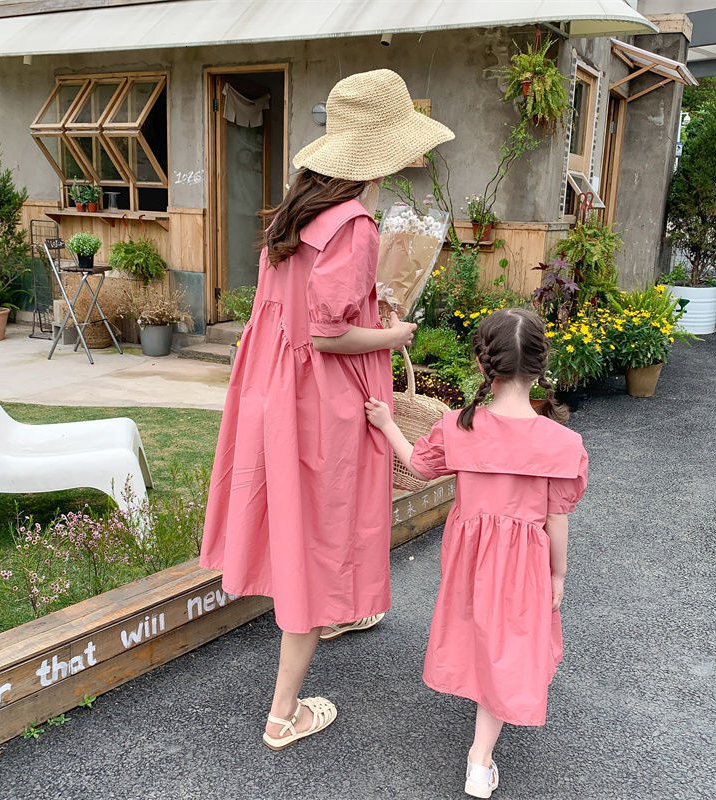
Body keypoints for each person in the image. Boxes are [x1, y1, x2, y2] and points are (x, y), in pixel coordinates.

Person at [199, 68, 454, 750]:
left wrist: (373, 305)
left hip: (278, 393)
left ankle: (332, 612)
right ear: (384, 154)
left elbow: (311, 310)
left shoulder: (300, 213)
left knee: (300, 513)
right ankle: (284, 714)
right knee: (323, 522)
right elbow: (326, 332)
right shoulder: (358, 225)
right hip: (323, 401)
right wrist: (395, 334)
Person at [365, 308, 588, 798]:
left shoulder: (457, 426)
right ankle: (479, 758)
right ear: (540, 363)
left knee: (480, 630)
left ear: (484, 365)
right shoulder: (560, 442)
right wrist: (558, 576)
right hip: (524, 562)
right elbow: (556, 518)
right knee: (508, 645)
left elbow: (419, 467)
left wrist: (385, 423)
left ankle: (480, 749)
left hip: (469, 558)